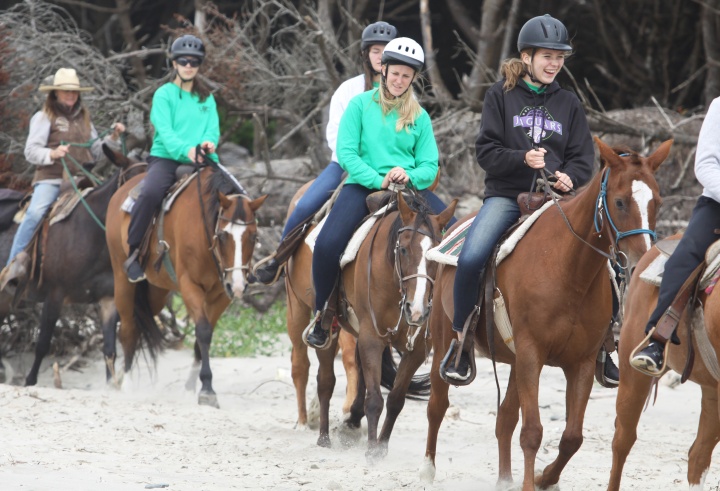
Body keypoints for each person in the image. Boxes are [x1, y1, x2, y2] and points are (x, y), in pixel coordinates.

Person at [443, 14, 606, 382]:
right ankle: (461, 342)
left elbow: (584, 157)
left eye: (560, 57)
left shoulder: (569, 103)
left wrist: (571, 176)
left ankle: (604, 345)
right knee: (470, 258)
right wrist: (522, 159)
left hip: (558, 202)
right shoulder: (499, 95)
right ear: (527, 56)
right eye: (547, 56)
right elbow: (486, 151)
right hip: (506, 197)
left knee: (605, 259)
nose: (554, 64)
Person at [303, 37, 453, 350]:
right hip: (363, 185)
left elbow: (429, 165)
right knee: (328, 244)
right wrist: (378, 179)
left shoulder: (419, 116)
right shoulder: (360, 105)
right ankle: (323, 312)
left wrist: (408, 174)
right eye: (395, 73)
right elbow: (346, 153)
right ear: (382, 70)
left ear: (414, 78)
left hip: (410, 190)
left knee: (453, 238)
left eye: (406, 75)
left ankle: (449, 317)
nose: (399, 80)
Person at [251, 21, 400, 285]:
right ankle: (278, 259)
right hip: (346, 167)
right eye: (375, 50)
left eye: (386, 50)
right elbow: (335, 136)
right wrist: (359, 165)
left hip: (390, 172)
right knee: (306, 205)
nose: (380, 56)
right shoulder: (348, 90)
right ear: (366, 54)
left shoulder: (402, 92)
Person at [0, 67, 125, 289]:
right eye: (65, 91)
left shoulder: (84, 119)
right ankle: (13, 265)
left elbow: (95, 151)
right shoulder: (44, 117)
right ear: (55, 93)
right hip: (52, 179)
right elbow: (31, 150)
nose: (71, 95)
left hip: (81, 178)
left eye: (74, 91)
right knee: (36, 212)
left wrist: (113, 138)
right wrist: (52, 154)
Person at [630, 97, 720, 375]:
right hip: (717, 207)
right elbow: (705, 165)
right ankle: (658, 338)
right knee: (687, 254)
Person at [123, 34, 223, 282]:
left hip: (202, 158)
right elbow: (165, 132)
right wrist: (187, 150)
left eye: (194, 61)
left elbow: (213, 128)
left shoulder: (206, 98)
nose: (189, 65)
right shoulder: (164, 95)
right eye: (184, 61)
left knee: (234, 195)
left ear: (199, 65)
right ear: (174, 64)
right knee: (150, 193)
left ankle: (230, 258)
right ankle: (133, 252)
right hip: (167, 158)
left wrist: (210, 142)